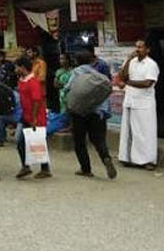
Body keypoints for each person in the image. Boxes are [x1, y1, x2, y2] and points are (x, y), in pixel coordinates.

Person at [64, 51, 116, 179]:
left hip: (79, 113)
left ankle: (86, 169)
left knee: (79, 141)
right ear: (91, 61)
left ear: (76, 61)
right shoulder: (97, 74)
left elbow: (68, 88)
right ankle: (106, 158)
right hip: (97, 112)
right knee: (99, 140)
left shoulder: (76, 72)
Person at [118, 40, 160, 170]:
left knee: (145, 132)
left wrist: (128, 83)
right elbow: (121, 76)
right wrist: (129, 60)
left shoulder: (151, 64)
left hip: (144, 103)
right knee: (129, 131)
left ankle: (148, 160)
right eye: (136, 47)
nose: (137, 49)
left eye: (140, 47)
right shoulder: (131, 61)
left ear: (147, 50)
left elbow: (147, 83)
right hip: (130, 100)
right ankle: (128, 158)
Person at [15, 56, 51, 179]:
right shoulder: (23, 80)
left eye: (17, 67)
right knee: (25, 141)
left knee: (37, 141)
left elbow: (36, 100)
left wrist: (34, 118)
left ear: (22, 67)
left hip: (35, 115)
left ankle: (42, 168)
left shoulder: (33, 81)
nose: (15, 69)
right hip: (25, 114)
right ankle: (28, 166)